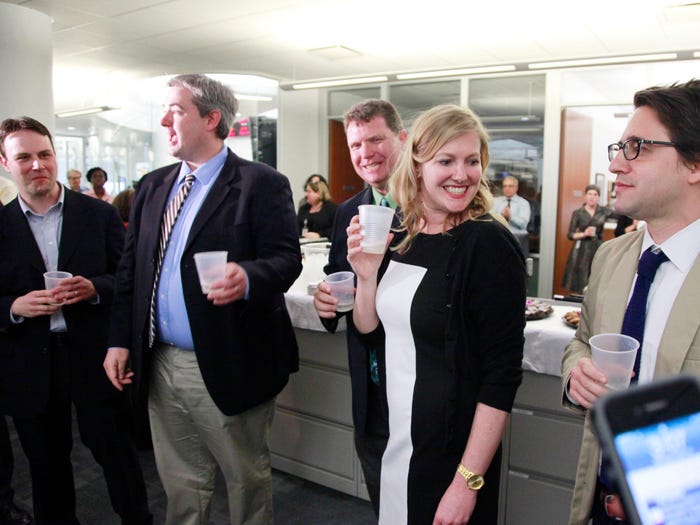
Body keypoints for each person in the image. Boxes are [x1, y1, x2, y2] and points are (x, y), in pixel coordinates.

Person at [103, 74, 301, 525]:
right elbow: (130, 273)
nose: (162, 120)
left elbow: (285, 259)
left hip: (229, 358)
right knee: (180, 481)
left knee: (244, 479)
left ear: (212, 118)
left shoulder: (259, 183)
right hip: (158, 361)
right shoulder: (153, 186)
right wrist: (119, 341)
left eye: (175, 111)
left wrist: (247, 277)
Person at [347, 104, 525, 524]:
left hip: (449, 456)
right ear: (419, 164)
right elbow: (370, 332)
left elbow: (501, 377)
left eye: (472, 161)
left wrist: (467, 483)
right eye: (446, 161)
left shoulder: (488, 245)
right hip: (398, 439)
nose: (461, 174)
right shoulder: (405, 234)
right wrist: (367, 277)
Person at [0, 116, 151, 525]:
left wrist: (95, 287)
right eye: (24, 157)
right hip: (29, 362)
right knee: (46, 467)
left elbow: (129, 277)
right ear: (5, 162)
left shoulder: (97, 215)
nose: (37, 165)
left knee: (116, 455)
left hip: (93, 354)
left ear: (55, 155)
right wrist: (15, 307)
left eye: (45, 154)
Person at [561, 79, 700, 525]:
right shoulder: (612, 255)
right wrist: (574, 375)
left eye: (638, 147)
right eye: (619, 147)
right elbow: (581, 340)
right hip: (598, 503)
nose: (617, 164)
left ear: (694, 163)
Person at [313, 99, 407, 515]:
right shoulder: (348, 211)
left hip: (418, 386)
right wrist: (326, 302)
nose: (364, 153)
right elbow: (339, 275)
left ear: (402, 140)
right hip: (369, 388)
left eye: (375, 140)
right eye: (355, 145)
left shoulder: (434, 207)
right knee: (382, 500)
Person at [561, 184, 612, 293]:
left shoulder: (604, 211)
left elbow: (622, 217)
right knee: (581, 279)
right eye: (589, 194)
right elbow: (570, 235)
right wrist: (584, 234)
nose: (592, 197)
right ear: (585, 196)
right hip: (582, 249)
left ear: (598, 197)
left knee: (597, 277)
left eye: (595, 194)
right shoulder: (578, 213)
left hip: (598, 246)